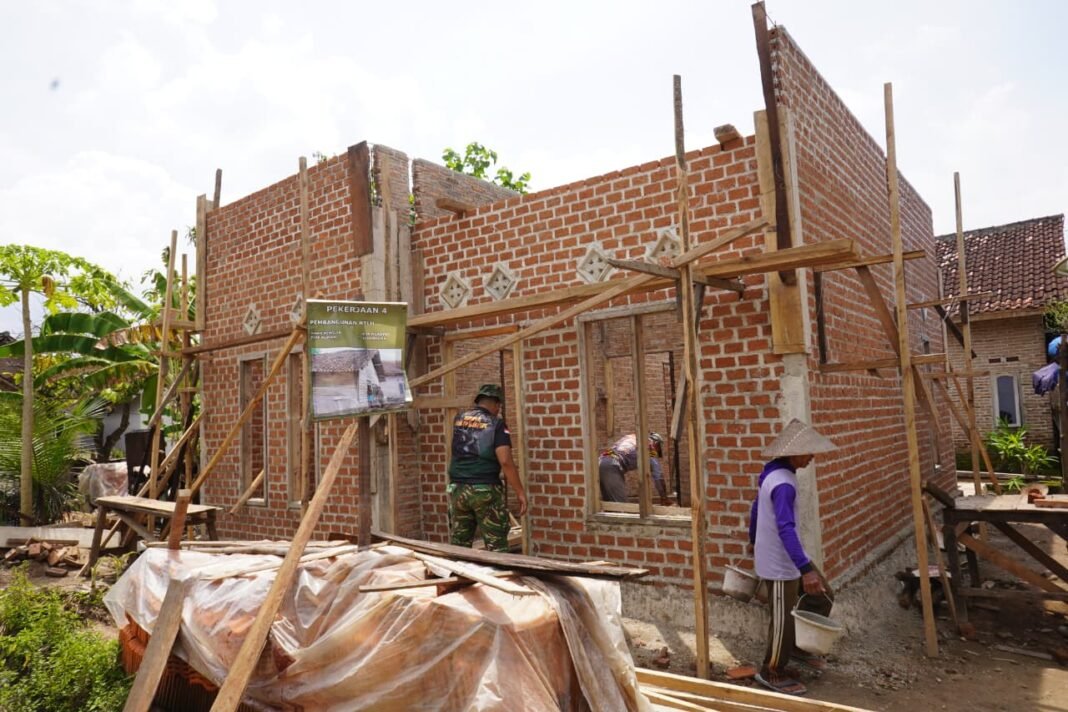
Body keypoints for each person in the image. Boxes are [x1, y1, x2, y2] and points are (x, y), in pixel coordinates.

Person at [748, 418, 837, 697]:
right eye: (808, 452)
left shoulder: (774, 473)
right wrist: (806, 570)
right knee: (782, 620)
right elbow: (785, 528)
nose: (812, 457)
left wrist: (752, 538)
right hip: (779, 561)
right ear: (794, 453)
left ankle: (795, 648)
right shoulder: (783, 483)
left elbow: (755, 508)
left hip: (788, 554)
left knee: (823, 595)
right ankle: (772, 670)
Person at [447, 384, 527, 551]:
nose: (499, 410)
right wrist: (520, 492)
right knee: (496, 547)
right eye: (499, 406)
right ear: (496, 404)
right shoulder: (496, 424)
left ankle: (458, 567)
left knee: (459, 545)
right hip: (484, 489)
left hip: (457, 489)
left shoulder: (459, 419)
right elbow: (505, 461)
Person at [599, 432, 669, 506]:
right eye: (658, 448)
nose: (657, 451)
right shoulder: (649, 447)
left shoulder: (632, 437)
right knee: (621, 506)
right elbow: (658, 476)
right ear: (656, 443)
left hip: (601, 462)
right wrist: (664, 497)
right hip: (612, 465)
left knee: (610, 505)